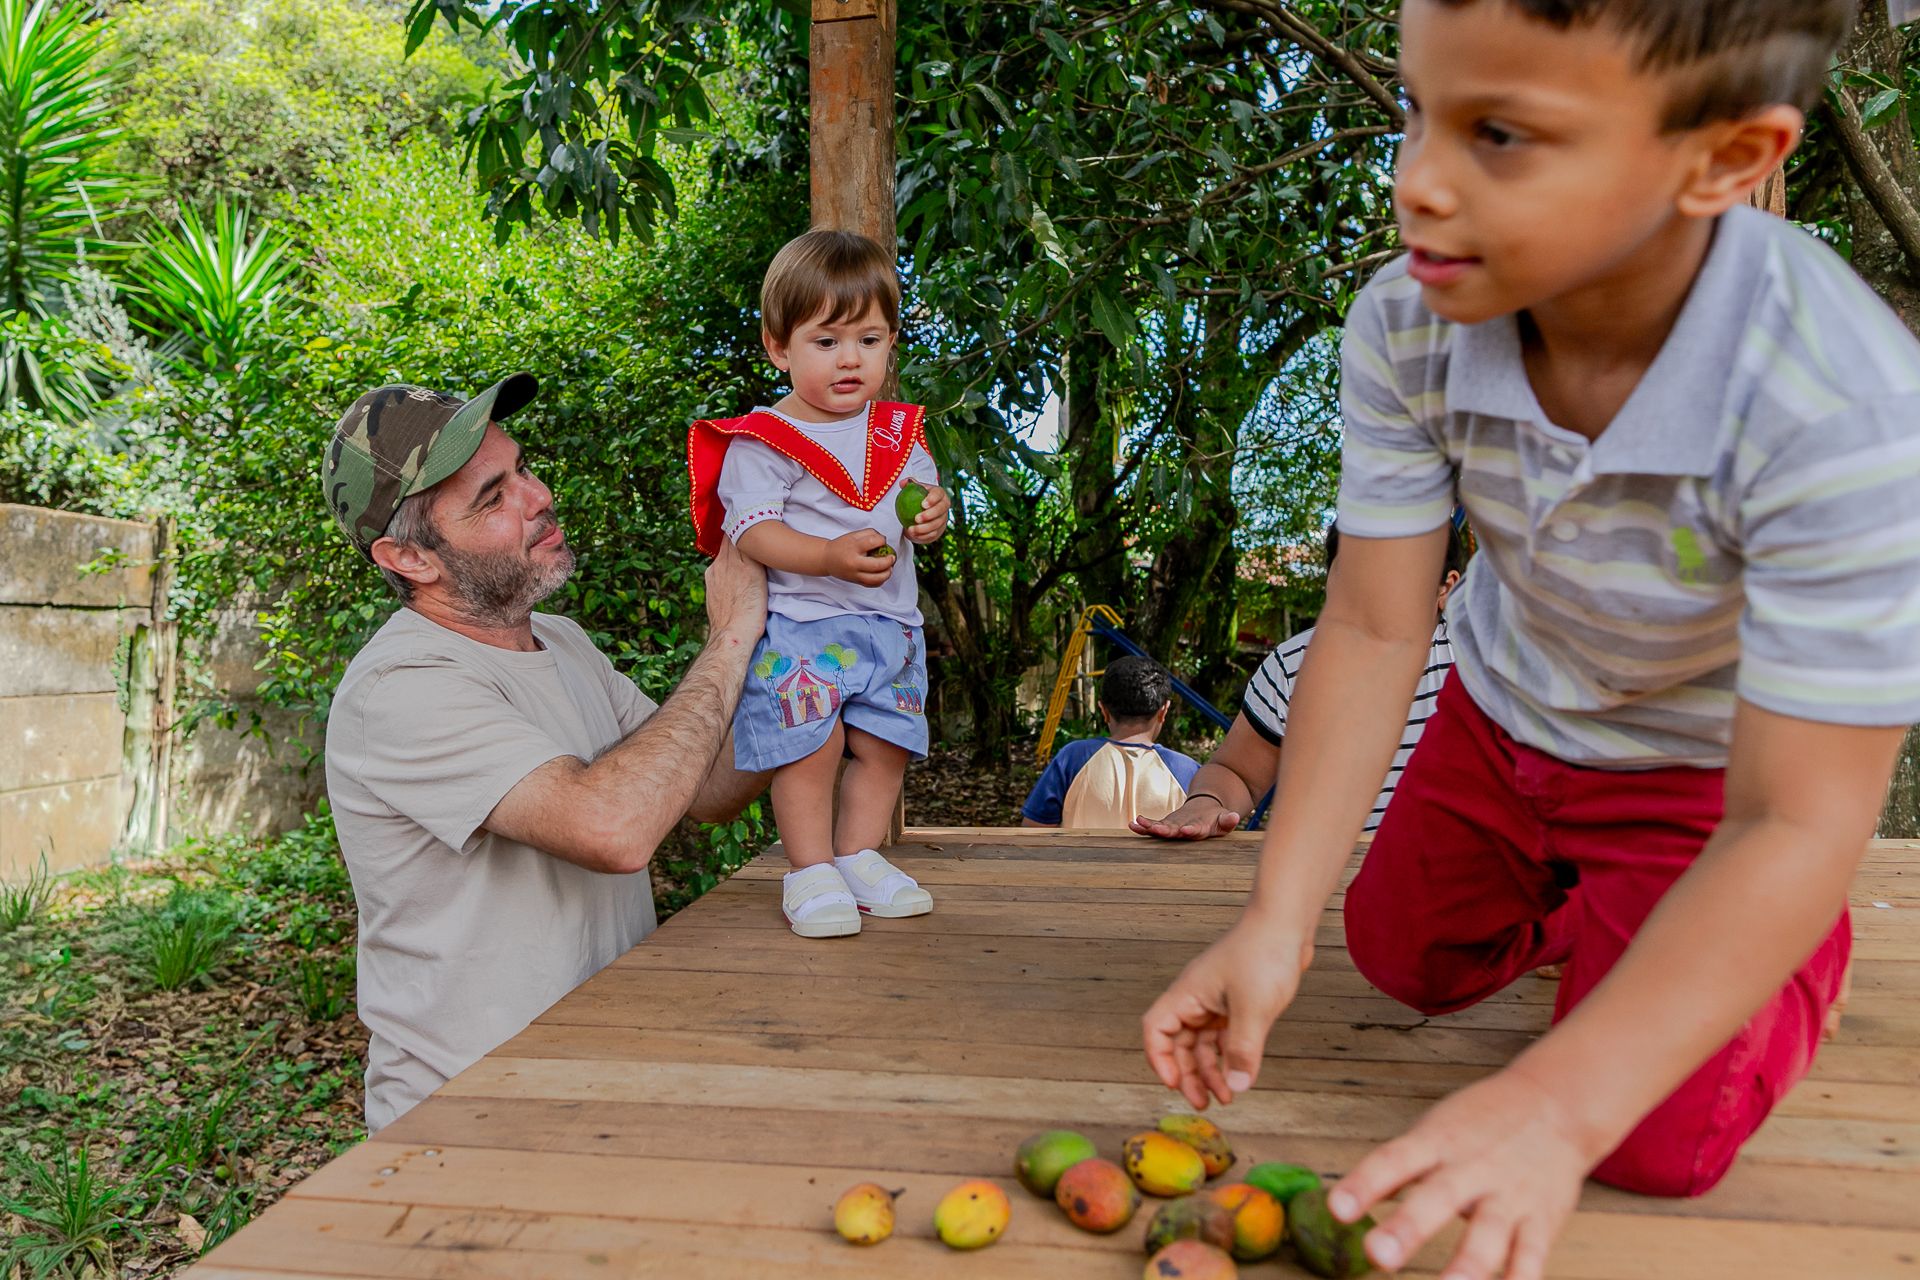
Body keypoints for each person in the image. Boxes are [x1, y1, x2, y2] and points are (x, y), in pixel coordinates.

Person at [1141, 3, 1918, 1278]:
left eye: (1499, 133)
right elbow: (1379, 617)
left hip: (1715, 785)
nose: (1417, 185)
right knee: (1399, 955)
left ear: (1724, 159)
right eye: (1414, 112)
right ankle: (1608, 916)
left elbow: (1797, 815)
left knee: (1655, 1140)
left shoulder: (1843, 409)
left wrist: (1555, 1104)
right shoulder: (1411, 322)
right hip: (1504, 717)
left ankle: (1778, 944)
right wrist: (1275, 920)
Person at [322, 374, 770, 1132]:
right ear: (411, 558)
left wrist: (809, 664)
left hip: (600, 1084)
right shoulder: (400, 688)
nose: (538, 497)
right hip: (471, 1124)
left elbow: (706, 787)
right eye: (492, 498)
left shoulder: (562, 643)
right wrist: (732, 636)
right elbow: (615, 828)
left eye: (522, 468)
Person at [686, 230, 952, 938]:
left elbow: (927, 497)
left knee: (887, 742)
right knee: (813, 742)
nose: (850, 359)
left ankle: (858, 857)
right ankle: (808, 872)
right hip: (807, 623)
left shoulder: (899, 432)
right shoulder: (764, 438)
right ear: (780, 347)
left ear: (892, 341)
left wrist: (932, 517)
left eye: (868, 339)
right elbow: (755, 532)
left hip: (892, 626)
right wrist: (827, 556)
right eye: (827, 341)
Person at [1132, 523, 1462, 841]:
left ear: (1443, 588)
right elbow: (1238, 773)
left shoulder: (1484, 666)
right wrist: (1208, 804)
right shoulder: (1294, 665)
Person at [1023, 655, 1201, 829]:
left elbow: (1034, 831)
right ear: (1163, 711)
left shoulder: (1071, 759)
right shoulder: (1187, 771)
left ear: (1104, 710)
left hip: (1080, 859)